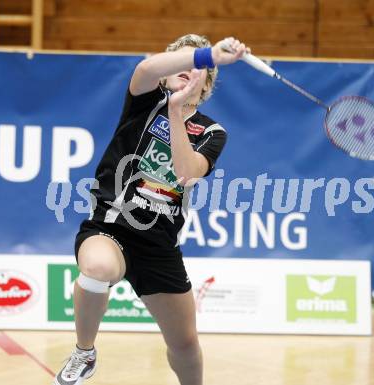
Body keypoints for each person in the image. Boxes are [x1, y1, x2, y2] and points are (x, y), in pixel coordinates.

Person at [53, 34, 248, 385]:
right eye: (181, 61)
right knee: (96, 267)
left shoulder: (211, 132)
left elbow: (187, 170)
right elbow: (146, 67)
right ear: (167, 71)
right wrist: (207, 54)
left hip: (159, 245)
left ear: (206, 85)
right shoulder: (144, 99)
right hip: (111, 227)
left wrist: (177, 112)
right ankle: (84, 352)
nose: (189, 68)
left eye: (198, 67)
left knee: (186, 345)